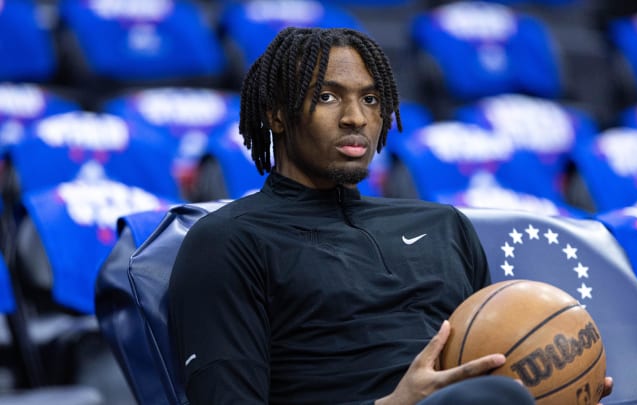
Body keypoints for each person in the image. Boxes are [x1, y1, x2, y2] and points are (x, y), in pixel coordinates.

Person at [167, 27, 605, 404]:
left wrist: (561, 384)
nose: (355, 117)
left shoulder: (444, 226)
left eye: (371, 99)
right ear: (277, 116)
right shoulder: (227, 240)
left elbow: (493, 358)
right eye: (327, 97)